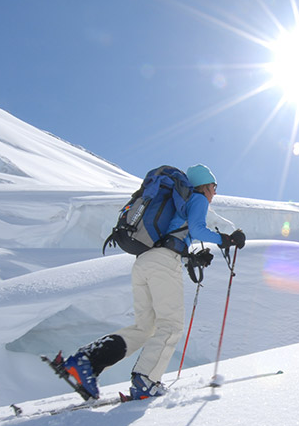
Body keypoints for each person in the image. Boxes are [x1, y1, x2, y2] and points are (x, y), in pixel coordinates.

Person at [61, 164, 246, 400]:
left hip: (144, 263)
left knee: (144, 327)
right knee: (171, 325)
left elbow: (172, 237)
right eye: (214, 186)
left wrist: (189, 256)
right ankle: (146, 380)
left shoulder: (178, 202)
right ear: (204, 185)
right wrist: (227, 239)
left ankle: (85, 362)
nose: (215, 193)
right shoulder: (197, 198)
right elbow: (198, 230)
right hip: (162, 263)